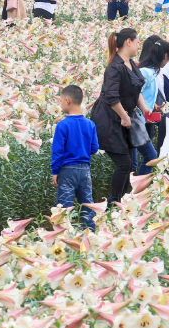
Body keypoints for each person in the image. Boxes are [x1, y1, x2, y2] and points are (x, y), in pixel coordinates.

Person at [90, 28, 147, 207]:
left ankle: (119, 201)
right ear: (128, 42)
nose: (139, 44)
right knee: (124, 164)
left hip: (123, 120)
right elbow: (111, 97)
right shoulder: (114, 68)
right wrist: (124, 116)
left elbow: (135, 90)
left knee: (129, 165)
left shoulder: (131, 65)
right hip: (109, 121)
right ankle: (114, 203)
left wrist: (145, 109)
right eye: (137, 41)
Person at [51, 84, 99, 231]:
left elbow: (57, 151)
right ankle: (90, 235)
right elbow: (94, 148)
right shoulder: (90, 124)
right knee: (87, 205)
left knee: (64, 207)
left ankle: (64, 236)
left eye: (60, 102)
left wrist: (54, 171)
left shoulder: (62, 125)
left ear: (67, 101)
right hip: (85, 170)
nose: (61, 105)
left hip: (67, 170)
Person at [130, 38, 169, 176]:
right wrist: (144, 109)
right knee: (151, 157)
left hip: (140, 120)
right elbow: (135, 93)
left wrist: (153, 105)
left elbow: (143, 93)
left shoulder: (150, 71)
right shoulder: (146, 72)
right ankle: (138, 192)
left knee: (133, 163)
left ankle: (129, 193)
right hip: (136, 121)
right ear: (165, 56)